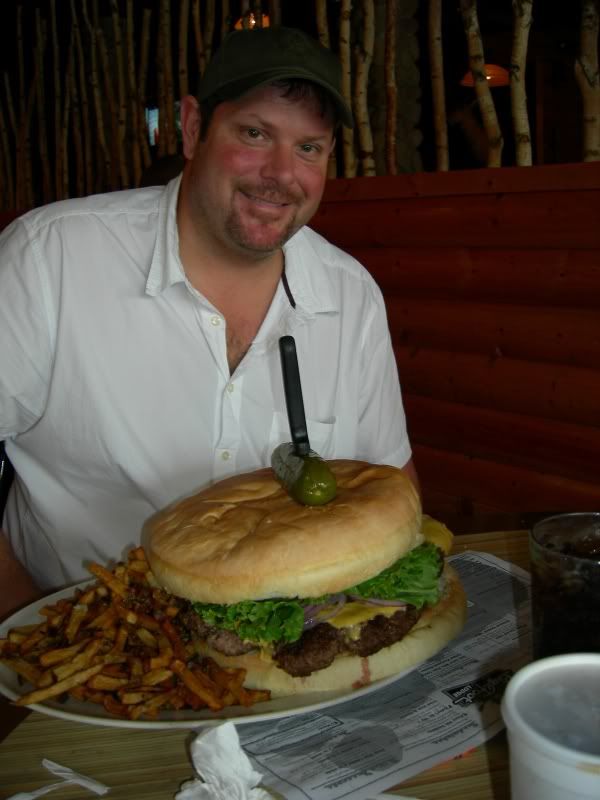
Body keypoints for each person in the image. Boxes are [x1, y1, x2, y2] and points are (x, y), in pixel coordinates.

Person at [0, 26, 417, 619]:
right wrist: (26, 631)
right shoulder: (47, 259)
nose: (280, 174)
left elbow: (392, 486)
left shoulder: (352, 296)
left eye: (309, 148)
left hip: (294, 641)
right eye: (254, 133)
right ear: (193, 128)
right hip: (77, 633)